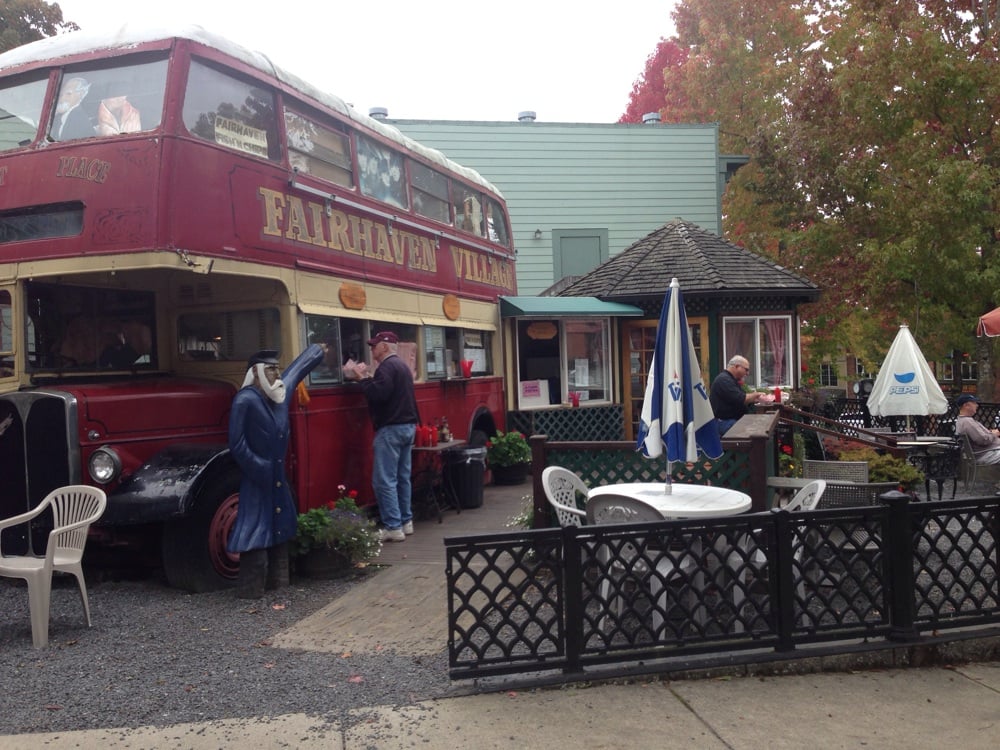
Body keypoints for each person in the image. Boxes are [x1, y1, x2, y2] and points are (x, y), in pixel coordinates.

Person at [228, 343, 328, 598]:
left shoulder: (279, 396)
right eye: (270, 370)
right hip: (259, 479)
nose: (276, 374)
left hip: (277, 478)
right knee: (255, 529)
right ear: (257, 372)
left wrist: (317, 350)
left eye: (276, 369)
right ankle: (251, 590)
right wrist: (258, 467)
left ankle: (278, 583)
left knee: (280, 528)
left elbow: (296, 370)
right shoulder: (245, 399)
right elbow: (237, 443)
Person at [343, 330, 419, 543]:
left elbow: (379, 395)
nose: (372, 349)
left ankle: (393, 527)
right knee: (403, 478)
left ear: (385, 347)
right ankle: (406, 521)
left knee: (384, 480)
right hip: (407, 426)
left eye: (374, 345)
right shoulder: (402, 366)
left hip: (391, 428)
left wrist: (361, 379)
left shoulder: (386, 368)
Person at [709, 355, 764, 436]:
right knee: (756, 435)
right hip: (724, 422)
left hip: (730, 420)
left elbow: (740, 397)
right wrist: (757, 395)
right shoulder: (724, 380)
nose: (747, 373)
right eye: (746, 369)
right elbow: (741, 399)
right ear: (737, 366)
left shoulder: (729, 379)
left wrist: (754, 399)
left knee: (758, 428)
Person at [954, 394, 1000, 465]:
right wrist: (994, 434)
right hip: (986, 454)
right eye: (974, 403)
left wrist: (990, 432)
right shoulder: (967, 422)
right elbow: (983, 440)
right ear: (966, 405)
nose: (977, 405)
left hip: (989, 452)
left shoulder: (963, 421)